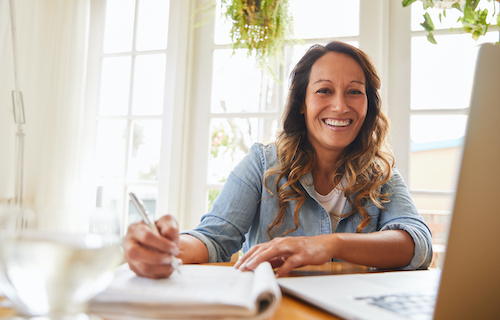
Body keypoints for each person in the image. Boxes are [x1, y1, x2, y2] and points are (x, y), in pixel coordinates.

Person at [124, 41, 433, 279]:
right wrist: (166, 249)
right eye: (324, 90)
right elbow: (213, 239)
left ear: (368, 105)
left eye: (354, 92)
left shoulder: (381, 173)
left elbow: (418, 244)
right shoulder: (262, 163)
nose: (340, 106)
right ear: (301, 103)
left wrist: (330, 244)